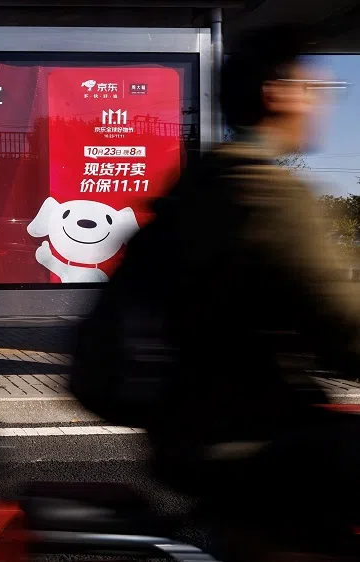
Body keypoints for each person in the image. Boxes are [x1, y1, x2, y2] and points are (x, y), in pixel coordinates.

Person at [113, 26, 360, 560]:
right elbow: (344, 330)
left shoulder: (195, 187)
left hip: (182, 429)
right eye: (318, 91)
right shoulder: (270, 195)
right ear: (278, 93)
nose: (321, 105)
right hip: (252, 439)